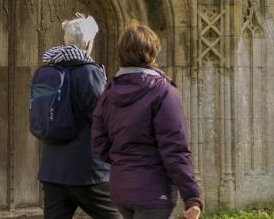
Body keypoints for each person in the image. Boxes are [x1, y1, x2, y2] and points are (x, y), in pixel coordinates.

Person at [91, 21, 203, 219]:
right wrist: (192, 196)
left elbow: (99, 140)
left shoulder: (109, 92)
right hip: (153, 192)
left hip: (121, 189)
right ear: (152, 52)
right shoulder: (164, 92)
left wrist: (123, 161)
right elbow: (175, 150)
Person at [36, 13, 121, 219]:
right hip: (87, 171)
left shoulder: (48, 69)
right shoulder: (88, 72)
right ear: (89, 43)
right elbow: (103, 118)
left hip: (52, 169)